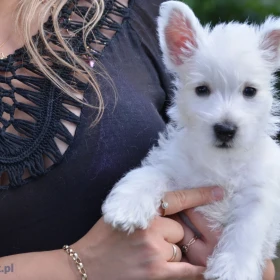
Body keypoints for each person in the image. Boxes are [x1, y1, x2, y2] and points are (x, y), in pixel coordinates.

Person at [0, 0, 275, 279]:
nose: (225, 118)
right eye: (203, 90)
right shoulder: (182, 148)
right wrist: (80, 263)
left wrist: (243, 262)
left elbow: (260, 234)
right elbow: (163, 171)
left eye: (249, 92)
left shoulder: (139, 12)